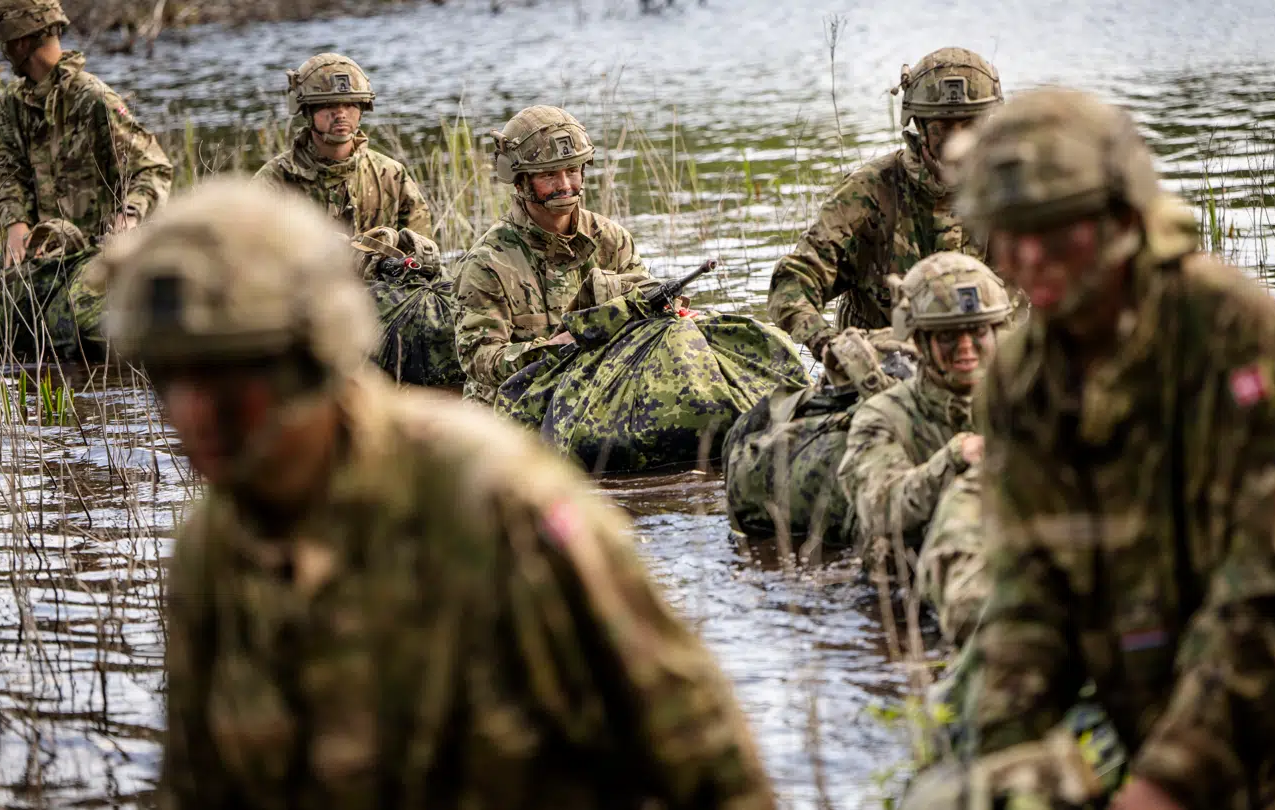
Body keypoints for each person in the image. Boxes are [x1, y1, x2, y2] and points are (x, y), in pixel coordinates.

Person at [100, 177, 775, 810]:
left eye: (228, 380)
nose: (192, 416)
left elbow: (705, 757)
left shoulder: (499, 500)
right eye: (169, 379)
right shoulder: (215, 550)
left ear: (310, 356)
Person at [957, 87, 1275, 810]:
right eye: (1009, 236)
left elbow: (1272, 586)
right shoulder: (1020, 382)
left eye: (1055, 233)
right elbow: (1027, 594)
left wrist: (1164, 783)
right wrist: (1008, 753)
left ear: (1120, 217)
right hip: (1157, 724)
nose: (1029, 260)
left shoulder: (1228, 328)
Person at [767, 47, 1001, 381]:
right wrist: (829, 346)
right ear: (919, 125)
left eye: (970, 125)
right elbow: (792, 282)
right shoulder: (869, 192)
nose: (957, 142)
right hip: (888, 376)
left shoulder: (1010, 192)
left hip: (992, 375)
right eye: (942, 127)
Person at [454, 105, 649, 404]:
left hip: (596, 396)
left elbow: (645, 310)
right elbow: (480, 360)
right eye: (548, 175)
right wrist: (553, 348)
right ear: (519, 180)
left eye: (572, 170)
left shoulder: (612, 240)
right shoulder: (488, 262)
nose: (565, 185)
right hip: (513, 407)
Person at [835, 251, 1010, 574]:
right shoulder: (884, 415)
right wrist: (955, 457)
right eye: (948, 336)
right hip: (922, 568)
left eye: (978, 332)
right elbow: (879, 507)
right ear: (920, 340)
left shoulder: (1026, 394)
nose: (966, 348)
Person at [0, 0, 172, 267]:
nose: (3, 51)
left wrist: (127, 218)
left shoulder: (93, 98)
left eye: (4, 41)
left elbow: (153, 169)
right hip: (37, 256)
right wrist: (16, 223)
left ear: (20, 42)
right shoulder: (15, 103)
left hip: (95, 256)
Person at [255, 53, 431, 238]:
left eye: (349, 105)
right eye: (328, 105)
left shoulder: (390, 175)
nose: (340, 114)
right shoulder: (275, 179)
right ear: (307, 110)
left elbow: (420, 250)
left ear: (362, 108)